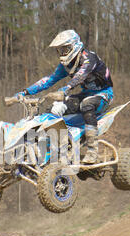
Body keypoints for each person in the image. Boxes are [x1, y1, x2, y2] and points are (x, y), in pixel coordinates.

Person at [14, 30, 114, 164]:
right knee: (55, 108)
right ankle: (52, 147)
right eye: (59, 50)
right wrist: (25, 92)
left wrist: (65, 90)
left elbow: (81, 75)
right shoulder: (66, 66)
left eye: (64, 49)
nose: (62, 54)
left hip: (104, 94)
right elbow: (49, 80)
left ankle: (92, 151)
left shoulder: (89, 58)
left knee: (86, 104)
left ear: (74, 46)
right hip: (85, 94)